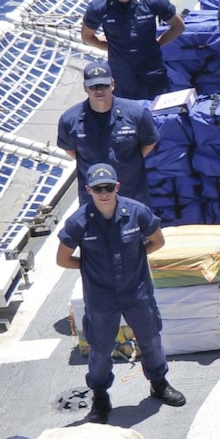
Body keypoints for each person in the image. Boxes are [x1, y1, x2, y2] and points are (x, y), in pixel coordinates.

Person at [56, 162, 185, 418]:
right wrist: (89, 268)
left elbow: (157, 241)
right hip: (101, 297)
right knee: (101, 348)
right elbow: (62, 259)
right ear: (88, 189)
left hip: (136, 291)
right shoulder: (79, 222)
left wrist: (137, 258)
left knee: (150, 338)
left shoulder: (137, 213)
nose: (104, 193)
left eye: (108, 187)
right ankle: (101, 396)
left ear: (117, 186)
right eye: (97, 188)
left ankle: (158, 383)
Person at [80, 0, 184, 100]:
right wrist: (111, 48)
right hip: (122, 77)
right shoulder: (98, 7)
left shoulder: (153, 1)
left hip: (152, 72)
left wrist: (158, 43)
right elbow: (86, 36)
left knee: (160, 114)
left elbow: (178, 26)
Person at [58, 60, 157, 207]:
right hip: (93, 198)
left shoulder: (136, 114)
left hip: (131, 193)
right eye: (94, 86)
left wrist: (127, 163)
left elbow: (149, 142)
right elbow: (71, 150)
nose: (99, 90)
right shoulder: (69, 120)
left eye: (103, 85)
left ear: (112, 84)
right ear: (85, 88)